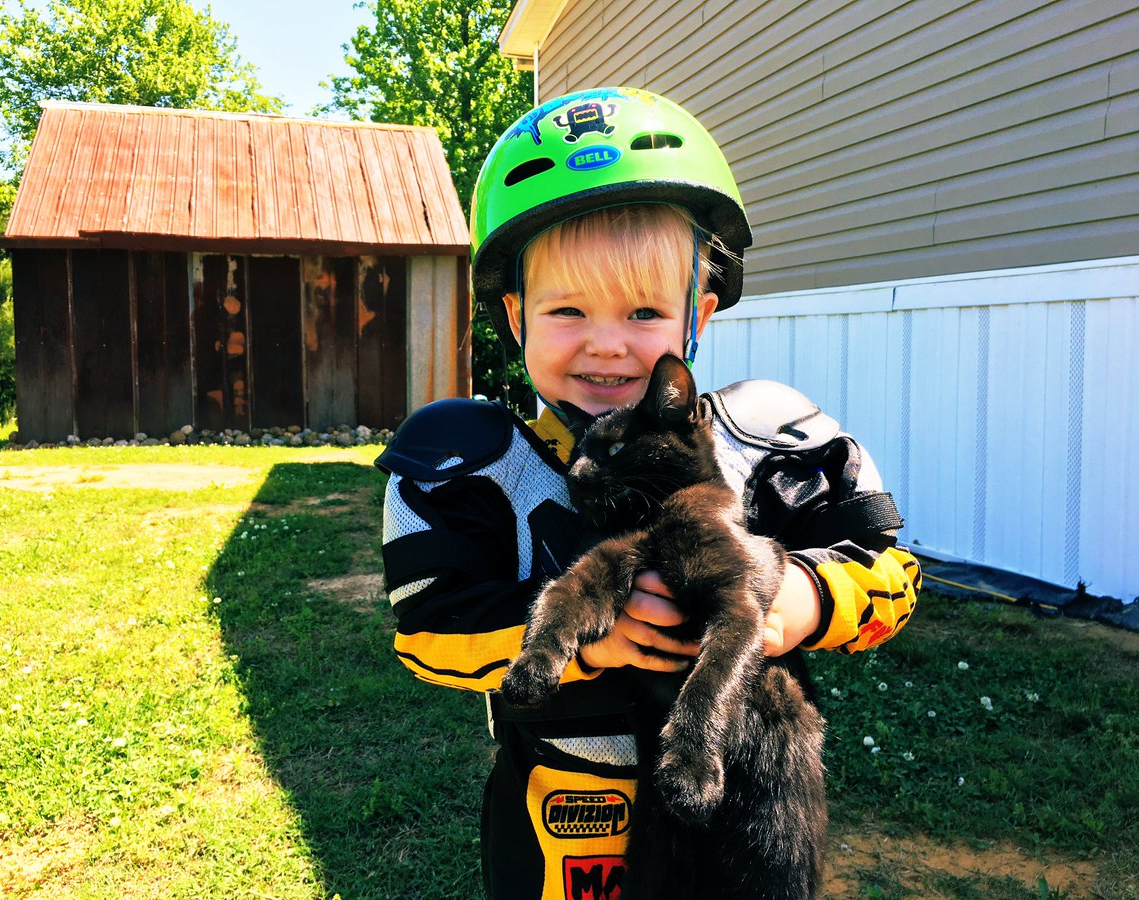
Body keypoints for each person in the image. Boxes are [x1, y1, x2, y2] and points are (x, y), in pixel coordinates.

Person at [377, 87, 920, 900]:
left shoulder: (765, 439)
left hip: (753, 825)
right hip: (561, 832)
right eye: (568, 309)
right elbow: (426, 637)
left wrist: (802, 599)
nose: (608, 344)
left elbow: (895, 576)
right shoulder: (474, 460)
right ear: (516, 316)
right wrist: (588, 642)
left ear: (698, 313)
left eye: (644, 310)